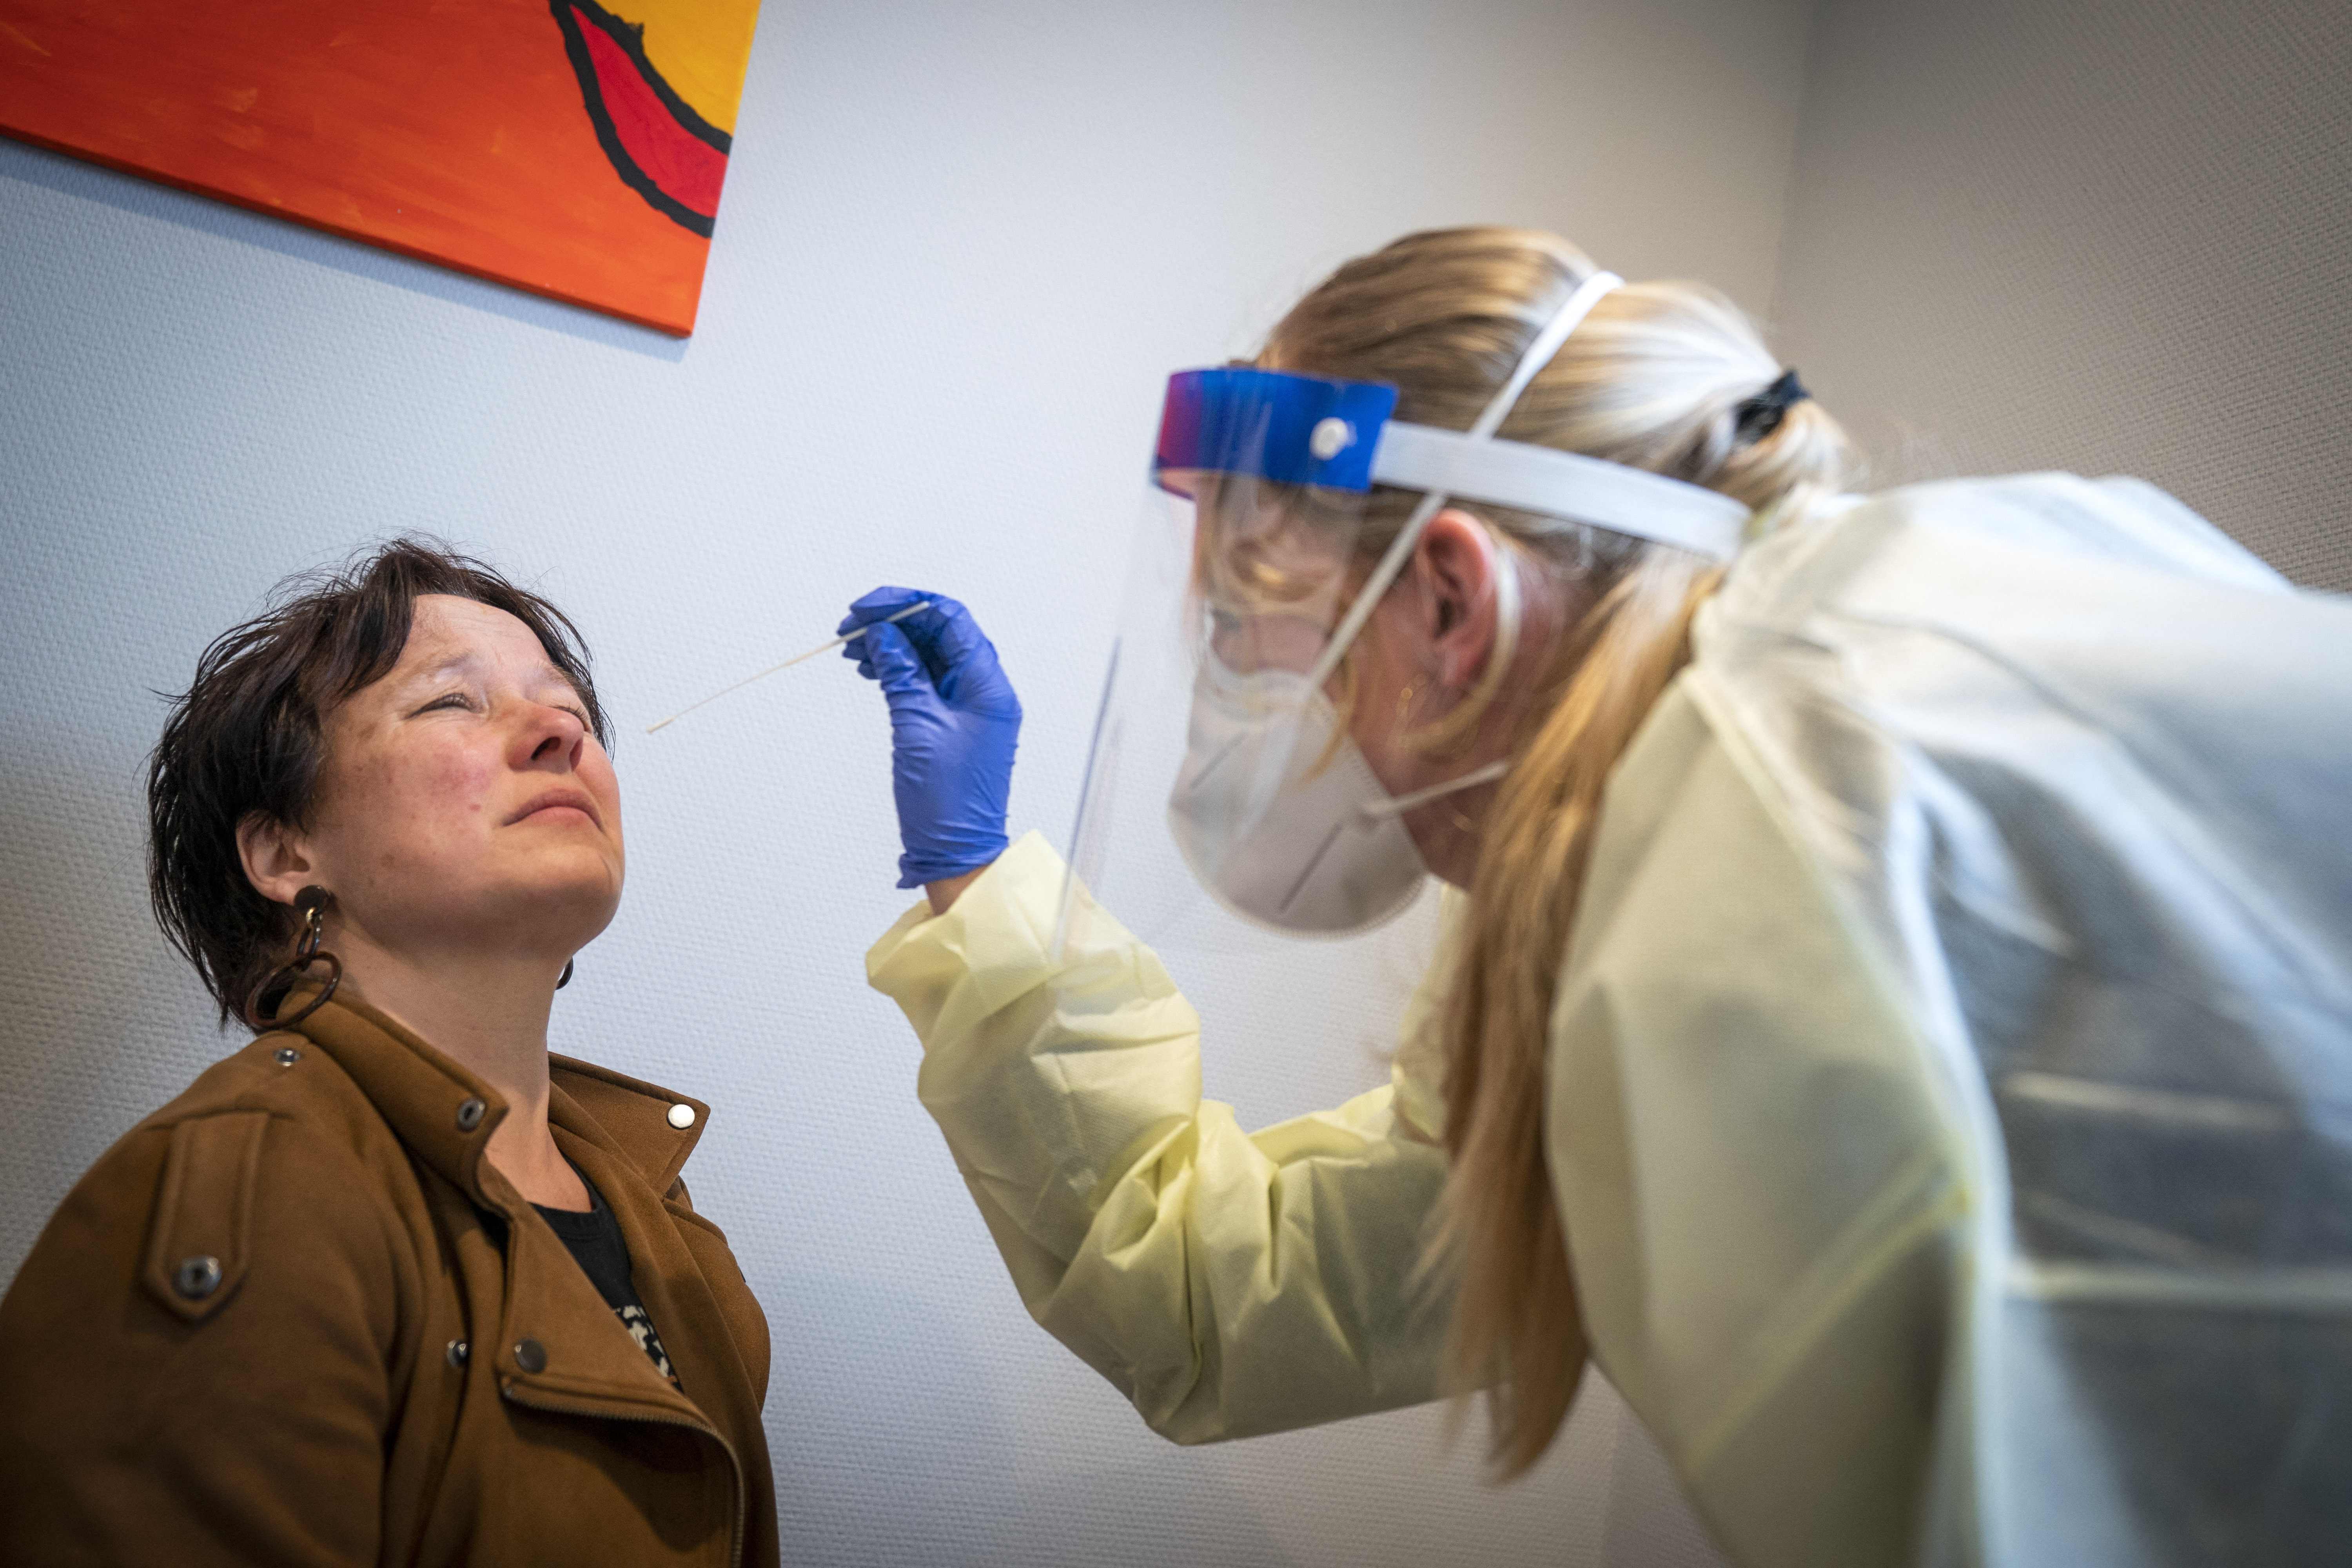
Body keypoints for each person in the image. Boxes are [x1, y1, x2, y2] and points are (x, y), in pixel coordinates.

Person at [843, 227, 2352, 1565]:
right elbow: (1232, 1296)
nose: (1252, 707)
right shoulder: (1726, 760)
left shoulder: (1748, 858)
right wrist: (974, 879)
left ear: (1448, 598)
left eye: (1257, 636)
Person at [0, 541, 778, 1567]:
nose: (561, 733)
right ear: (285, 855)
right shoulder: (246, 1185)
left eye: (572, 712)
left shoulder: (661, 1215)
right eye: (452, 703)